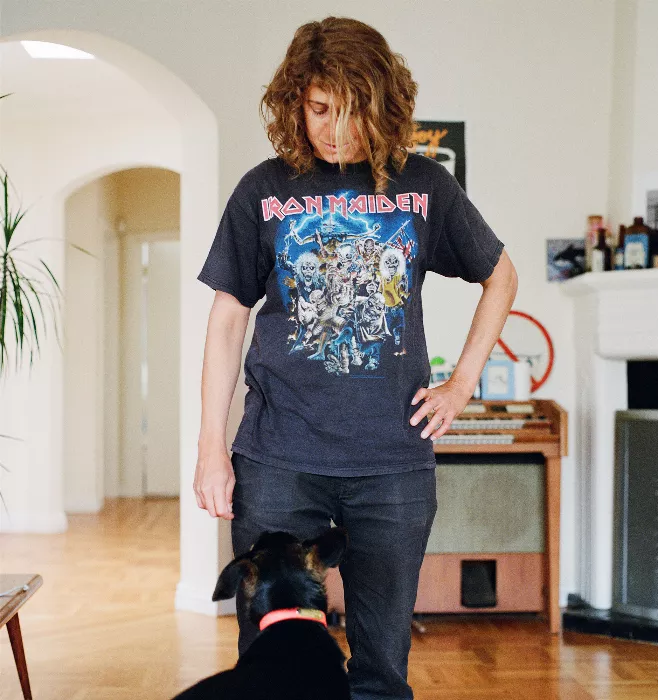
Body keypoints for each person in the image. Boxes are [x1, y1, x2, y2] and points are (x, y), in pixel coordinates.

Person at [193, 16, 517, 700]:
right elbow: (228, 320)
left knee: (380, 670)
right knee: (272, 668)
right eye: (318, 110)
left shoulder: (423, 185)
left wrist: (461, 385)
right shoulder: (263, 190)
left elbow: (502, 276)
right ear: (294, 104)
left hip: (391, 467)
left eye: (352, 111)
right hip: (278, 460)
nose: (334, 130)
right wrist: (209, 448)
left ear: (382, 105)